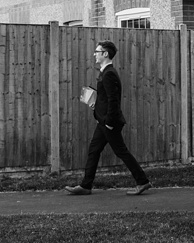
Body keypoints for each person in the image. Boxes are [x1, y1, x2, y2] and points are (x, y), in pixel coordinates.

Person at [64, 40, 152, 196]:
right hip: (103, 120)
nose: (94, 55)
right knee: (94, 150)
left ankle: (142, 182)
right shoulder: (105, 72)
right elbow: (105, 98)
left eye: (97, 52)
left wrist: (110, 123)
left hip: (109, 123)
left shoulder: (109, 73)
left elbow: (114, 100)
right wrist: (95, 104)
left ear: (105, 54)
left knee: (121, 152)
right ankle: (86, 186)